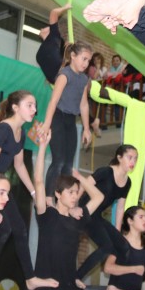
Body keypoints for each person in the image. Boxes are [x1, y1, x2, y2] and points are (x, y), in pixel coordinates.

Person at [18, 130, 105, 290]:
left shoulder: (78, 217)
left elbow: (99, 198)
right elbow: (38, 181)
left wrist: (79, 176)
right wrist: (43, 146)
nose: (75, 196)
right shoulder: (46, 215)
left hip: (69, 285)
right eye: (71, 192)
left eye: (76, 192)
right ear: (58, 194)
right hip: (46, 284)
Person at [0, 90, 54, 290]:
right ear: (15, 107)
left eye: (35, 106)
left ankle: (30, 278)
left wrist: (35, 194)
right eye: (29, 105)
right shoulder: (4, 129)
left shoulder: (20, 132)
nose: (34, 110)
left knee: (17, 229)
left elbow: (19, 166)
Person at [40, 41, 93, 203]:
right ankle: (49, 198)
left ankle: (63, 198)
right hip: (57, 117)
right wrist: (47, 124)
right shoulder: (64, 75)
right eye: (83, 59)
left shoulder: (84, 80)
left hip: (71, 120)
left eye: (88, 61)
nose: (86, 64)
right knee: (59, 160)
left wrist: (86, 128)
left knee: (68, 164)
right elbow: (53, 101)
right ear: (72, 56)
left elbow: (83, 104)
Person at [76, 145, 136, 280]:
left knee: (123, 246)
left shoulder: (127, 182)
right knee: (107, 246)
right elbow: (84, 184)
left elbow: (120, 208)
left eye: (135, 159)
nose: (133, 162)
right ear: (119, 158)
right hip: (86, 211)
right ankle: (77, 277)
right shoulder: (106, 172)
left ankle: (115, 281)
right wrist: (75, 207)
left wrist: (117, 232)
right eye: (130, 157)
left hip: (97, 216)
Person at [35, 4, 72, 85]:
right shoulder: (54, 36)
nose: (42, 28)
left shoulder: (54, 41)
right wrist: (66, 7)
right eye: (43, 28)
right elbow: (54, 13)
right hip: (59, 77)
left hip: (58, 78)